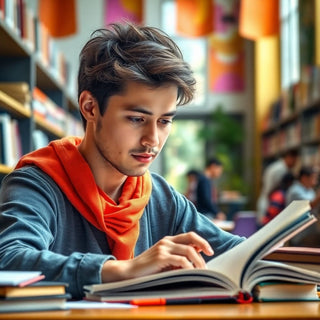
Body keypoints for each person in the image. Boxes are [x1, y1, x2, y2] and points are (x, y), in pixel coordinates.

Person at [0, 22, 244, 299]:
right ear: (90, 108)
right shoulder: (37, 184)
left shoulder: (161, 197)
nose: (153, 139)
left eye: (164, 121)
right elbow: (9, 259)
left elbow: (237, 252)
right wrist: (125, 270)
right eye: (137, 119)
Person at [256, 149, 299, 227]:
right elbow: (271, 189)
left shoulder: (280, 167)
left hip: (271, 202)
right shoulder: (280, 169)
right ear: (289, 157)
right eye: (295, 160)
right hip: (270, 204)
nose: (295, 163)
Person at [286, 166, 320, 246]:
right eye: (313, 178)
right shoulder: (295, 191)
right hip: (300, 235)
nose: (316, 181)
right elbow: (308, 206)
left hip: (310, 232)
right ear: (304, 178)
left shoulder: (309, 190)